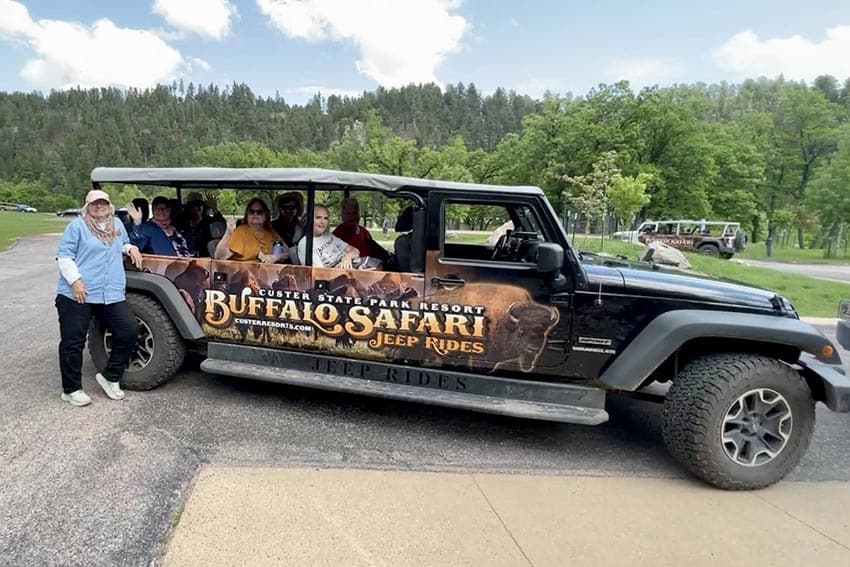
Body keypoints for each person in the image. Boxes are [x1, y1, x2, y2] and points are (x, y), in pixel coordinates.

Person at [55, 189, 144, 406]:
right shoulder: (77, 226)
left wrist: (131, 248)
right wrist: (75, 280)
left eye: (103, 203)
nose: (99, 207)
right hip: (80, 291)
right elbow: (64, 255)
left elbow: (120, 243)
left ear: (109, 205)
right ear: (87, 206)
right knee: (73, 341)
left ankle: (110, 377)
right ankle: (71, 389)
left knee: (128, 330)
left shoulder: (116, 224)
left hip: (109, 292)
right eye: (94, 204)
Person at [215, 198, 288, 263]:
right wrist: (228, 233)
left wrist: (276, 257)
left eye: (259, 212)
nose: (255, 214)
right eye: (251, 211)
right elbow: (220, 257)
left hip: (269, 273)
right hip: (244, 274)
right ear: (247, 216)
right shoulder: (241, 231)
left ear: (266, 216)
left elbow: (288, 253)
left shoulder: (271, 232)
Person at [127, 196, 196, 256]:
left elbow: (192, 247)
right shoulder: (147, 228)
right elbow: (137, 244)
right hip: (164, 268)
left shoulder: (177, 227)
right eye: (157, 209)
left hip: (189, 265)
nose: (161, 212)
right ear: (152, 210)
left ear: (169, 210)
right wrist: (137, 222)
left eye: (164, 209)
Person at [297, 204, 360, 269]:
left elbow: (355, 251)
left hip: (357, 264)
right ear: (309, 219)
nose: (323, 222)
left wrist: (347, 257)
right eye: (318, 217)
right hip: (342, 275)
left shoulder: (329, 235)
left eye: (325, 218)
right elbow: (319, 274)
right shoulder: (305, 244)